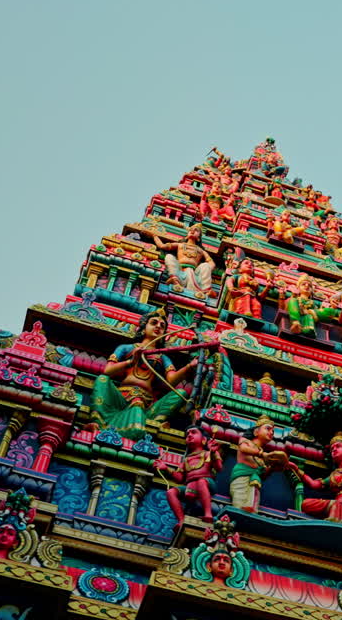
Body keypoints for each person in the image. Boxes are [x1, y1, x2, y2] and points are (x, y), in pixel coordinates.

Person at [93, 309, 198, 439]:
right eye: (154, 323)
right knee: (102, 380)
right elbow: (108, 371)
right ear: (143, 328)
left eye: (162, 326)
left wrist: (189, 366)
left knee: (181, 393)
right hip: (120, 399)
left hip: (147, 404)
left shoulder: (162, 357)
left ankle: (154, 422)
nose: (158, 326)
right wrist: (131, 362)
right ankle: (100, 422)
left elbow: (171, 381)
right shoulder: (126, 348)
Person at [159, 426, 223, 524]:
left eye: (193, 432)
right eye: (187, 434)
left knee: (201, 481)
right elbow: (179, 478)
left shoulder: (208, 453)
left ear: (204, 439)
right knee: (171, 492)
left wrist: (213, 452)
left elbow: (219, 468)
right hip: (190, 486)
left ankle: (208, 514)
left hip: (207, 483)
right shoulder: (186, 460)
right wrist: (166, 468)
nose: (189, 435)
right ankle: (181, 520)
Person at [230, 415, 289, 512]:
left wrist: (273, 468)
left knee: (253, 504)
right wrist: (261, 454)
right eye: (268, 429)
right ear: (256, 432)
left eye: (273, 431)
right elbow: (243, 449)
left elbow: (263, 475)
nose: (271, 433)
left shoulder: (263, 456)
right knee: (240, 499)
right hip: (242, 476)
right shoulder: (246, 442)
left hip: (255, 482)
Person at [154, 224, 216, 298]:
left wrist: (207, 270)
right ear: (187, 235)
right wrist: (154, 235)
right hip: (179, 271)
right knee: (169, 257)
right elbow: (162, 246)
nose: (192, 231)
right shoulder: (180, 245)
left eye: (196, 230)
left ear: (199, 237)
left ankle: (206, 290)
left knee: (205, 265)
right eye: (190, 230)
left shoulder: (201, 250)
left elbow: (211, 263)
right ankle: (175, 280)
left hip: (195, 274)